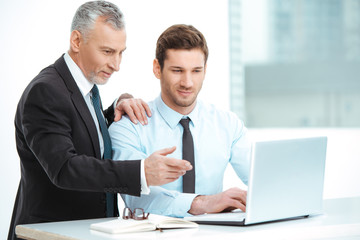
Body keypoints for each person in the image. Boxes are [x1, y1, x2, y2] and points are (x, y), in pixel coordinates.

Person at [8, 2, 192, 240]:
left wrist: (114, 108)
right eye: (107, 52)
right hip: (50, 233)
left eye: (120, 52)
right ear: (76, 41)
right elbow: (64, 168)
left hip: (89, 231)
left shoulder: (84, 87)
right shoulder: (45, 91)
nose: (116, 65)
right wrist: (141, 172)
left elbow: (79, 130)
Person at [109, 24, 251, 218]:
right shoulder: (129, 126)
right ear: (157, 69)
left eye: (196, 71)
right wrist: (201, 203)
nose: (187, 82)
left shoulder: (227, 124)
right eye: (177, 71)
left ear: (205, 70)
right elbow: (134, 195)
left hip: (216, 234)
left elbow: (261, 178)